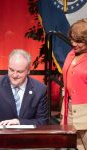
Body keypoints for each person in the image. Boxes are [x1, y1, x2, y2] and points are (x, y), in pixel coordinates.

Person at [0, 49, 49, 128]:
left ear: (28, 71)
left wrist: (19, 122)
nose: (14, 75)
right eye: (11, 70)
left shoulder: (39, 89)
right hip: (3, 137)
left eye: (19, 72)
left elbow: (42, 121)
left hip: (29, 137)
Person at [61, 18, 87, 150]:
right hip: (70, 108)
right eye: (72, 39)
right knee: (74, 146)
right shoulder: (71, 54)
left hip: (85, 112)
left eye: (78, 41)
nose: (73, 43)